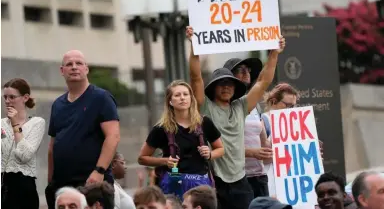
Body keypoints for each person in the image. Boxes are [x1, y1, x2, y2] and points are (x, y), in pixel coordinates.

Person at [187, 26, 286, 209]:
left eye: (230, 84)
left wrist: (274, 53)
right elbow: (196, 78)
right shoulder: (205, 106)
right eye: (221, 84)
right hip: (214, 180)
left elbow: (263, 81)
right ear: (213, 87)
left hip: (241, 180)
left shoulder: (241, 106)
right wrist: (194, 47)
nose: (226, 87)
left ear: (236, 88)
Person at [46, 50, 121, 208]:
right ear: (62, 71)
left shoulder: (102, 98)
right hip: (63, 185)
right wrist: (51, 181)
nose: (74, 67)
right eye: (69, 64)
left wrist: (99, 171)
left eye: (79, 63)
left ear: (86, 69)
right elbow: (53, 146)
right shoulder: (57, 104)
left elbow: (113, 137)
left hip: (93, 183)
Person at [138, 80, 224, 198]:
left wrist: (210, 154)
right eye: (177, 95)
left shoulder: (204, 122)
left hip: (201, 186)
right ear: (170, 101)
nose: (182, 98)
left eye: (185, 94)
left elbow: (221, 149)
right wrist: (165, 161)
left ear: (191, 98)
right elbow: (142, 158)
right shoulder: (161, 128)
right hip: (174, 183)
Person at [260, 82, 325, 197]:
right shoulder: (264, 122)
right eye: (287, 105)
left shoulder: (297, 123)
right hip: (274, 183)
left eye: (293, 106)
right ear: (273, 101)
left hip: (298, 185)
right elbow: (262, 159)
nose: (291, 109)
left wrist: (313, 154)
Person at [223, 57, 272, 198]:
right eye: (240, 69)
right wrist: (251, 152)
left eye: (248, 70)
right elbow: (219, 148)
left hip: (258, 178)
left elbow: (265, 146)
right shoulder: (222, 106)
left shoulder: (255, 106)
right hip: (235, 180)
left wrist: (298, 147)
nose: (246, 73)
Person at [1, 78, 46, 209]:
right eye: (5, 97)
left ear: (25, 98)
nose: (7, 101)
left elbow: (24, 155)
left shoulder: (36, 123)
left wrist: (15, 124)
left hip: (24, 186)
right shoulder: (1, 125)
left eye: (12, 97)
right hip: (3, 184)